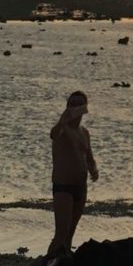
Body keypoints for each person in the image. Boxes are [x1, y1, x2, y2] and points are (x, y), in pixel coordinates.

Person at [49, 91, 99, 255]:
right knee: (61, 235)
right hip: (64, 186)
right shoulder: (62, 129)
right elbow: (53, 134)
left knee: (70, 235)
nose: (76, 106)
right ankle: (48, 265)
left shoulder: (84, 132)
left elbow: (88, 155)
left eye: (80, 103)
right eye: (72, 103)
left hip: (80, 186)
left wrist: (93, 169)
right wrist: (63, 119)